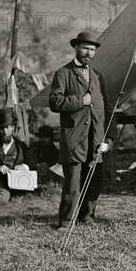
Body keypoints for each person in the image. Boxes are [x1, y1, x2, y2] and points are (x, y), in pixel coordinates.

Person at [49, 31, 116, 230]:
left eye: (92, 50)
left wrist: (109, 137)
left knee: (94, 179)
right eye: (85, 48)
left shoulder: (98, 76)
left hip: (95, 139)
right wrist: (81, 101)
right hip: (74, 138)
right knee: (72, 184)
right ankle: (66, 221)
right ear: (76, 48)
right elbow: (54, 102)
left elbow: (109, 108)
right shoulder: (63, 73)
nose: (89, 53)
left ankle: (86, 218)